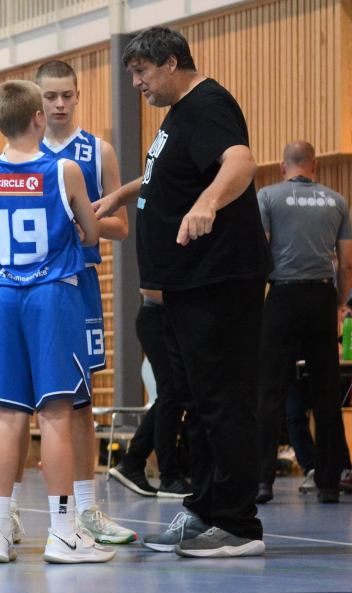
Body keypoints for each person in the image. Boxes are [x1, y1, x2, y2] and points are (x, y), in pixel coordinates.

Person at [96, 26, 271, 557]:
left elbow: (240, 161)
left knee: (225, 401)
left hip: (218, 280)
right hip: (189, 285)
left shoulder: (208, 104)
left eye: (142, 72)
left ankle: (238, 525)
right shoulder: (179, 114)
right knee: (202, 401)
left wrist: (207, 204)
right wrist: (123, 195)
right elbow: (169, 178)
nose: (137, 84)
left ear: (171, 62)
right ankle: (206, 508)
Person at [0, 80, 111, 564]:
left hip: (5, 296)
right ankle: (62, 531)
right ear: (38, 117)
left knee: (8, 415)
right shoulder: (64, 168)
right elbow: (90, 232)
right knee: (55, 413)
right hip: (51, 295)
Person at [34, 60, 138, 544]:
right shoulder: (22, 151)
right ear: (36, 99)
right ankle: (8, 513)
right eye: (50, 96)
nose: (59, 104)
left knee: (80, 399)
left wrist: (84, 228)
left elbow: (120, 226)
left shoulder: (98, 151)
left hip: (79, 285)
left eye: (66, 95)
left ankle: (87, 508)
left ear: (78, 95)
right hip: (30, 288)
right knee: (19, 404)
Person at [254, 140, 351, 504]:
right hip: (321, 296)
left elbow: (261, 252)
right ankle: (329, 484)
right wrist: (339, 302)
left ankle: (261, 482)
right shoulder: (337, 201)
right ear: (314, 166)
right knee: (326, 394)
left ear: (283, 167)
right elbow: (346, 262)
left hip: (282, 296)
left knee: (270, 392)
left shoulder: (268, 197)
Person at [108, 289, 191, 498]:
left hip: (170, 318)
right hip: (157, 318)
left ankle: (132, 463)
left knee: (174, 395)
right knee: (171, 394)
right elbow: (148, 289)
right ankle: (168, 476)